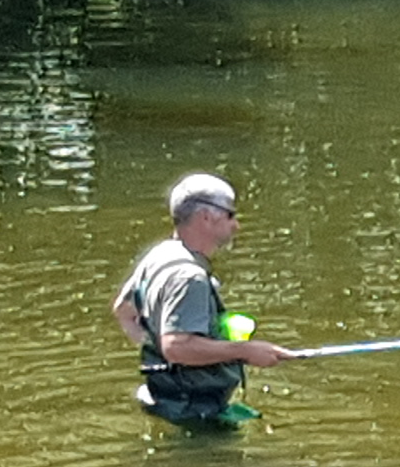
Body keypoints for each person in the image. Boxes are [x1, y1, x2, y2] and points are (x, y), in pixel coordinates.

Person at [110, 172, 291, 426]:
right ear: (206, 217)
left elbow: (123, 311)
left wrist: (157, 354)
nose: (236, 225)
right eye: (230, 215)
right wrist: (247, 351)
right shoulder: (190, 278)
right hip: (195, 412)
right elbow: (176, 347)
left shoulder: (160, 255)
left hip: (164, 401)